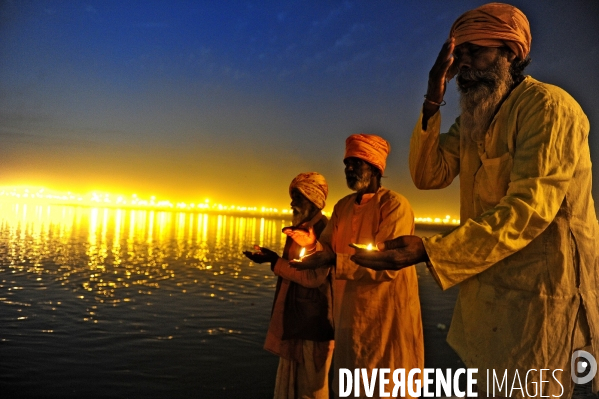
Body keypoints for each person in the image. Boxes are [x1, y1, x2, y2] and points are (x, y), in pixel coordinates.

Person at [352, 3, 598, 398]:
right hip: (488, 303)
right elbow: (427, 174)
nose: (464, 64)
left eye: (476, 51)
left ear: (510, 54)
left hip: (540, 301)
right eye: (459, 54)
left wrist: (432, 252)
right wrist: (433, 99)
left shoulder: (549, 108)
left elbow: (528, 210)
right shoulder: (472, 119)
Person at [290, 134, 424, 399]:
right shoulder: (342, 207)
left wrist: (332, 260)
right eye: (346, 164)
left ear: (375, 168)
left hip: (387, 323)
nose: (348, 169)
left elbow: (386, 266)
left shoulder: (395, 206)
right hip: (350, 321)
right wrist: (312, 245)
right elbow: (326, 249)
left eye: (356, 163)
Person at [243, 172, 334, 399]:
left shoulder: (323, 230)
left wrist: (275, 262)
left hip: (313, 325)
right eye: (293, 197)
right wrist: (273, 258)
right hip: (297, 321)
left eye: (298, 197)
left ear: (314, 200)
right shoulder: (302, 227)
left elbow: (313, 277)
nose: (292, 203)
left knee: (311, 390)